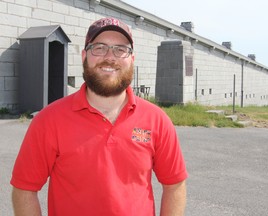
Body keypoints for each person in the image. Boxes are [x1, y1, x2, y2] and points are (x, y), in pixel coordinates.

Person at [11, 17, 188, 216]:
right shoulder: (48, 120)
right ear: (85, 55)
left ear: (132, 59)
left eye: (120, 49)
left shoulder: (157, 120)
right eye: (100, 48)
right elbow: (24, 188)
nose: (110, 57)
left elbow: (174, 184)